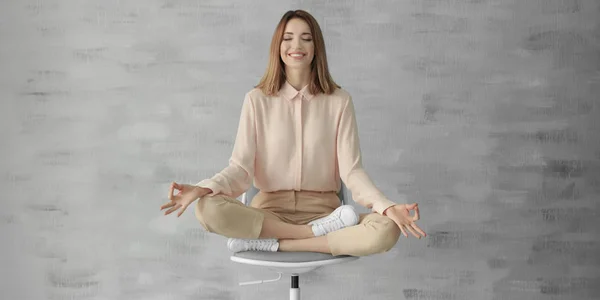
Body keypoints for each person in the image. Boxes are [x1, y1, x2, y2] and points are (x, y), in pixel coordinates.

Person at [160, 9, 426, 257]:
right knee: (207, 209)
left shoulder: (339, 101)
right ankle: (308, 236)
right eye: (288, 38)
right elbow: (240, 170)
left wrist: (387, 206)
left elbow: (352, 172)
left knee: (387, 229)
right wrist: (203, 188)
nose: (296, 46)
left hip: (326, 214)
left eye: (306, 39)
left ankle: (277, 245)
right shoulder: (256, 100)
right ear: (278, 47)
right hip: (270, 216)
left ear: (316, 48)